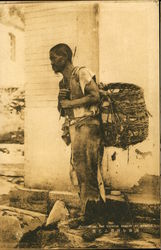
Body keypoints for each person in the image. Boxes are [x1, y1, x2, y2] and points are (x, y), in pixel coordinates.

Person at [49, 44, 107, 237]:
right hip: (75, 128)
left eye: (54, 58)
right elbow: (63, 109)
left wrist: (71, 102)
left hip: (89, 126)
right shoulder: (62, 83)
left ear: (64, 57)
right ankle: (88, 214)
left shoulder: (81, 73)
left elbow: (95, 96)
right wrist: (61, 101)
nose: (51, 63)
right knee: (80, 171)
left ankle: (97, 219)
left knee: (89, 171)